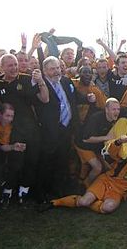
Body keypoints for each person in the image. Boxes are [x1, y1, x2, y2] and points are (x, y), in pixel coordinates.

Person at [40, 135, 127, 213]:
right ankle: (54, 203)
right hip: (105, 181)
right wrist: (118, 142)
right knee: (84, 202)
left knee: (108, 208)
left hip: (118, 192)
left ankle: (92, 201)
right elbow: (111, 152)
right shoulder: (125, 155)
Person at [0, 54, 49, 205]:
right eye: (10, 65)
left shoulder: (26, 79)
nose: (14, 67)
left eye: (15, 64)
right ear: (2, 67)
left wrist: (41, 81)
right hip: (13, 129)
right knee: (16, 162)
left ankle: (24, 191)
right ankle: (7, 192)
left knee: (32, 160)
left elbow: (45, 98)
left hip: (32, 128)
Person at [35, 56, 91, 202]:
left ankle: (59, 189)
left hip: (67, 128)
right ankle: (42, 193)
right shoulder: (40, 84)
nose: (56, 71)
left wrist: (88, 99)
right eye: (52, 69)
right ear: (45, 71)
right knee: (47, 161)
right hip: (50, 130)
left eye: (58, 68)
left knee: (63, 159)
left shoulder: (66, 81)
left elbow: (76, 98)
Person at [0, 103, 26, 208]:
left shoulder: (8, 127)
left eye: (12, 116)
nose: (10, 119)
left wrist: (13, 147)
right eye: (7, 116)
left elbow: (0, 145)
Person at [74, 98, 120, 188]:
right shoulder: (96, 118)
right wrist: (106, 138)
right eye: (114, 109)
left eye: (118, 109)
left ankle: (85, 180)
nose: (117, 112)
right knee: (97, 167)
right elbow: (86, 139)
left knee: (108, 168)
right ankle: (86, 185)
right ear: (106, 109)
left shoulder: (114, 119)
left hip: (96, 148)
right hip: (83, 146)